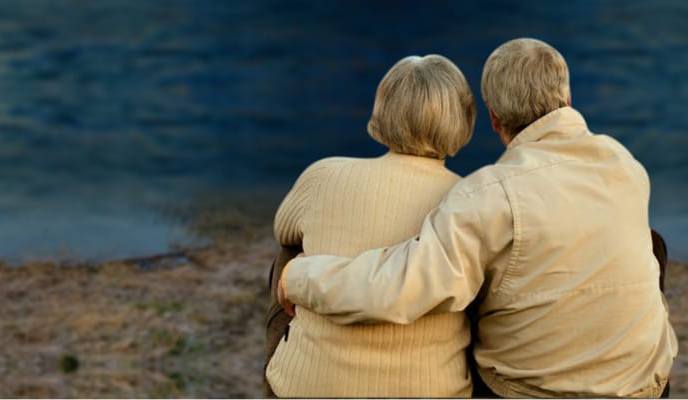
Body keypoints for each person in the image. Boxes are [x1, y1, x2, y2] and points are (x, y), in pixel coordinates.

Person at [278, 38, 677, 398]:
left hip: (531, 392)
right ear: (568, 101)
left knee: (467, 280)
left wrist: (296, 277)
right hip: (647, 384)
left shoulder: (488, 194)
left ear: (494, 120)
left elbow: (400, 288)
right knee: (650, 243)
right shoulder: (625, 163)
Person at [265, 55, 477, 397]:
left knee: (289, 251)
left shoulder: (324, 174)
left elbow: (283, 227)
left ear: (383, 111)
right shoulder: (470, 197)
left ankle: (294, 356)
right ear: (463, 119)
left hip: (306, 389)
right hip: (432, 390)